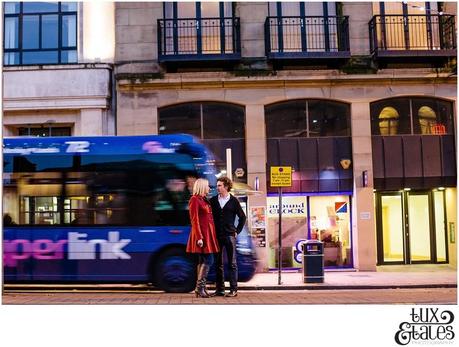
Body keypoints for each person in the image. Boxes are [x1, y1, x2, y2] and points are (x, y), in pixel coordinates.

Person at [210, 177, 247, 297]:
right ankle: (220, 290)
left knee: (232, 263)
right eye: (217, 185)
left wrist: (237, 231)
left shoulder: (234, 201)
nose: (217, 187)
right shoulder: (213, 201)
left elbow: (242, 217)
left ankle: (233, 290)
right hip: (216, 235)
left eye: (220, 185)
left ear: (226, 187)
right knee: (218, 263)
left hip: (230, 235)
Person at [186, 178, 220, 298]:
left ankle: (200, 289)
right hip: (202, 235)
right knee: (208, 260)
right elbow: (194, 220)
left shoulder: (204, 200)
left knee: (202, 261)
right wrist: (199, 237)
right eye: (207, 186)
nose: (209, 188)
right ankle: (200, 287)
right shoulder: (194, 200)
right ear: (201, 187)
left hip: (208, 234)